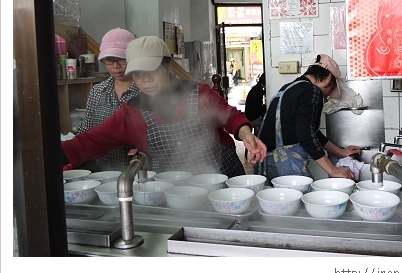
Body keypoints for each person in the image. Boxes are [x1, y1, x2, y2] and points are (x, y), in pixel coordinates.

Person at [61, 36, 267, 177]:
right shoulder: (132, 112)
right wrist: (51, 156)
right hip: (174, 189)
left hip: (223, 178)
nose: (145, 80)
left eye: (151, 71)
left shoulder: (198, 93)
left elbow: (232, 117)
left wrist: (246, 134)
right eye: (138, 74)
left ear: (167, 66)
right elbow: (91, 141)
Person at [258, 54, 360, 181]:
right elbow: (306, 134)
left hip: (267, 163)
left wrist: (340, 152)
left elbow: (311, 131)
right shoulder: (313, 91)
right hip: (285, 165)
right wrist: (331, 169)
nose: (326, 95)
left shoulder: (288, 89)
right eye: (330, 90)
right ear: (328, 78)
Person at [76, 28, 140, 172]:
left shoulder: (145, 91)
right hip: (103, 174)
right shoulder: (98, 91)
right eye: (109, 60)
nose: (115, 66)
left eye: (122, 59)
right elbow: (86, 130)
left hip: (139, 172)